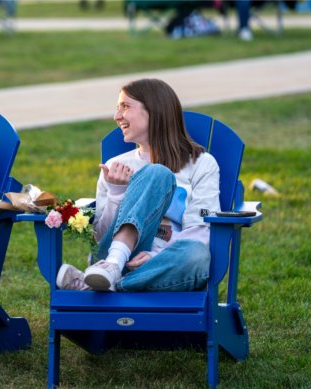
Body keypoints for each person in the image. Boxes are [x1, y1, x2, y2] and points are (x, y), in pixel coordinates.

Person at [57, 78, 220, 292]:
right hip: (113, 258)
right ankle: (115, 266)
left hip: (165, 264)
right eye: (117, 109)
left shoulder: (201, 164)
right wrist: (115, 193)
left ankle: (110, 286)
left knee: (196, 255)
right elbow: (101, 238)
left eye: (125, 107)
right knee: (156, 173)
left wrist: (156, 256)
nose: (116, 117)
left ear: (154, 110)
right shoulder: (115, 166)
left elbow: (200, 230)